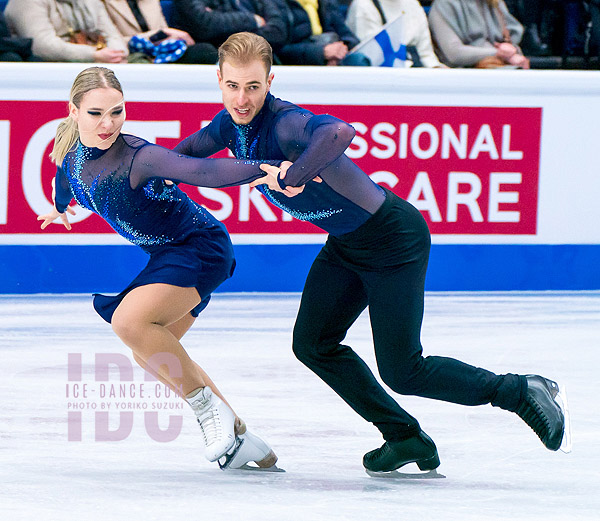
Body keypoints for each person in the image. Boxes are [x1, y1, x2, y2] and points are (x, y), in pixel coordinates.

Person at [176, 32, 571, 473]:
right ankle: (405, 437)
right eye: (233, 86)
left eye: (253, 86)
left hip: (393, 239)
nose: (242, 98)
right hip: (347, 245)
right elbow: (181, 159)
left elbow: (338, 132)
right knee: (313, 344)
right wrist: (134, 175)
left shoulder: (285, 123)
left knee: (403, 369)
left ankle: (521, 390)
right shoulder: (227, 126)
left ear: (270, 81)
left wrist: (297, 174)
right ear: (219, 80)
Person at [36, 66, 288, 470]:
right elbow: (64, 182)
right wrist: (60, 208)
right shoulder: (71, 156)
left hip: (200, 246)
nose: (108, 124)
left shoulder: (138, 156)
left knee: (129, 323)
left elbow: (203, 172)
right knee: (149, 352)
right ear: (74, 111)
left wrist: (271, 168)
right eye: (97, 113)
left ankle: (208, 413)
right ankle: (242, 437)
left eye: (116, 112)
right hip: (167, 255)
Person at [4, 0, 128, 63]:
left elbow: (113, 35)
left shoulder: (91, 2)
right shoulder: (26, 2)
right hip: (51, 68)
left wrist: (115, 54)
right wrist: (93, 55)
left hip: (99, 64)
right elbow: (41, 46)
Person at [100, 0, 219, 63]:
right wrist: (158, 35)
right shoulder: (101, 2)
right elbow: (112, 42)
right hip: (129, 55)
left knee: (206, 51)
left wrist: (170, 36)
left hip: (159, 51)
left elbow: (164, 32)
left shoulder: (150, 1)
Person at [427, 0, 530, 69]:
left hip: (502, 67)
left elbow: (509, 39)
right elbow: (453, 53)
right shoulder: (444, 4)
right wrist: (498, 53)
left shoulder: (495, 3)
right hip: (462, 75)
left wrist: (513, 52)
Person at [345, 0, 445, 67]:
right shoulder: (363, 5)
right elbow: (374, 58)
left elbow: (426, 55)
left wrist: (437, 68)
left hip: (417, 71)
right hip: (383, 77)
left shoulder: (413, 3)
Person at [169, 0, 288, 52]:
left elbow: (278, 32)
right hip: (221, 60)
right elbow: (205, 24)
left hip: (264, 56)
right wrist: (252, 20)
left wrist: (229, 28)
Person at [275, 0, 369, 65]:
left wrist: (339, 51)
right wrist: (322, 53)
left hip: (333, 60)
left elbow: (348, 37)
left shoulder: (325, 3)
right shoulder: (275, 4)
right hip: (299, 67)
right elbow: (277, 49)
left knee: (359, 59)